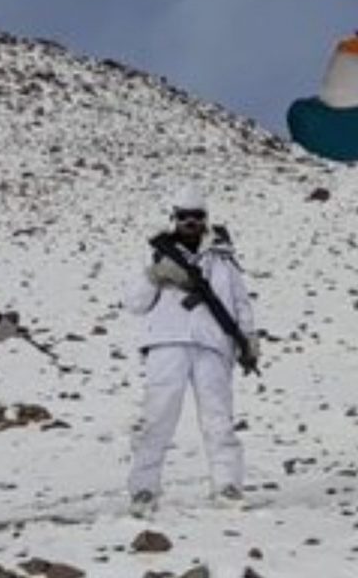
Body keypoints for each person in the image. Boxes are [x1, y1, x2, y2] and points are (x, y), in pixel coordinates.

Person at [124, 184, 259, 518]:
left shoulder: (223, 256)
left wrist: (248, 338)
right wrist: (154, 276)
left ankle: (227, 485)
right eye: (183, 216)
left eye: (196, 216)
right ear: (173, 217)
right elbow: (134, 303)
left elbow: (238, 301)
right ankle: (144, 489)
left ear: (206, 219)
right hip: (167, 342)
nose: (190, 222)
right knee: (157, 418)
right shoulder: (155, 253)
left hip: (213, 345)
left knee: (219, 420)